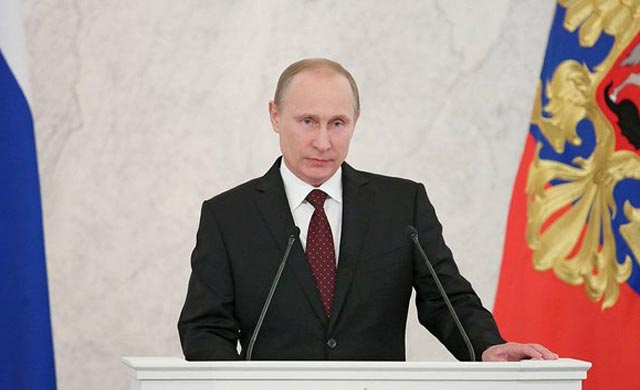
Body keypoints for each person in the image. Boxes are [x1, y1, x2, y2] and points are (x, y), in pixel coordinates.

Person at [178, 58, 557, 362]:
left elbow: (446, 299)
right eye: (307, 121)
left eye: (337, 123)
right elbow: (205, 328)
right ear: (275, 116)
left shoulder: (402, 205)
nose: (323, 142)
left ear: (355, 120)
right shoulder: (229, 216)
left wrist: (487, 346)